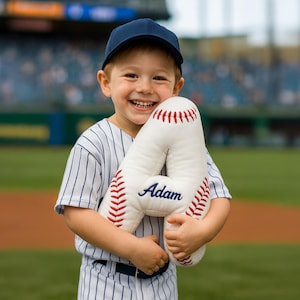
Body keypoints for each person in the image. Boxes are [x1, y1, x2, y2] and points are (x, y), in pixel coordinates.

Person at [55, 18, 231, 300]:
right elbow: (77, 214)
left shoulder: (186, 141)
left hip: (162, 282)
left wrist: (203, 231)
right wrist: (131, 248)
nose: (145, 87)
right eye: (131, 75)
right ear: (105, 82)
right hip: (105, 280)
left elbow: (219, 197)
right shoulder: (93, 142)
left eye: (159, 78)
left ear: (176, 88)